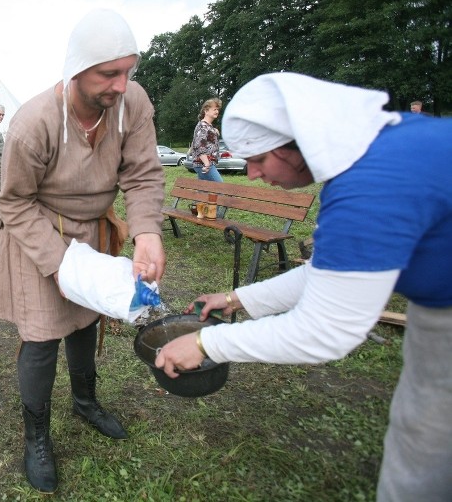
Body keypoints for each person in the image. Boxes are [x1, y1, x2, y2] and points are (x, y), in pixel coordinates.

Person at [154, 73, 452, 502]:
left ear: (297, 143)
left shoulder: (371, 187)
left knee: (425, 451)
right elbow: (330, 274)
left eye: (258, 160)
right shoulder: (381, 150)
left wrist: (205, 343)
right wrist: (238, 298)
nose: (252, 174)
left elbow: (325, 330)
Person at [0, 9, 166, 493]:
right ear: (76, 70)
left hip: (92, 228)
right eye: (108, 73)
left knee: (86, 319)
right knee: (44, 333)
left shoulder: (132, 103)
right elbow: (13, 202)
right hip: (39, 230)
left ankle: (85, 402)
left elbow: (143, 172)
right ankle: (37, 436)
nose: (120, 84)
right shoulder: (33, 123)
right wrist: (60, 262)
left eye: (128, 71)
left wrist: (148, 230)